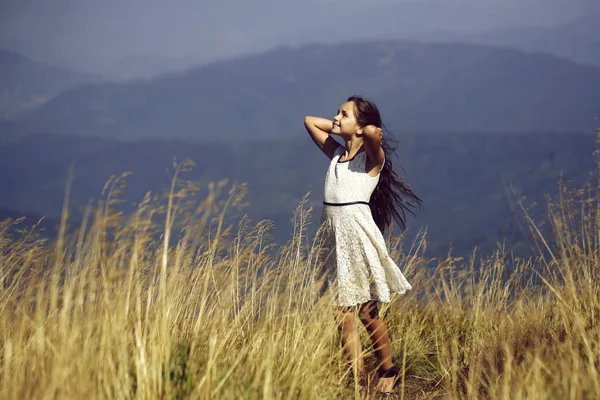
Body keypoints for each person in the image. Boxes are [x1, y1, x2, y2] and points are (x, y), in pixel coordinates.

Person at [304, 95, 422, 395]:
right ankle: (359, 378)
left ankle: (388, 368)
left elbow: (372, 137)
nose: (335, 117)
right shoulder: (336, 155)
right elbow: (309, 122)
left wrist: (366, 131)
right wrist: (342, 124)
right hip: (334, 240)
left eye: (343, 114)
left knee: (367, 311)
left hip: (358, 239)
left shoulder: (370, 161)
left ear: (360, 126)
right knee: (341, 311)